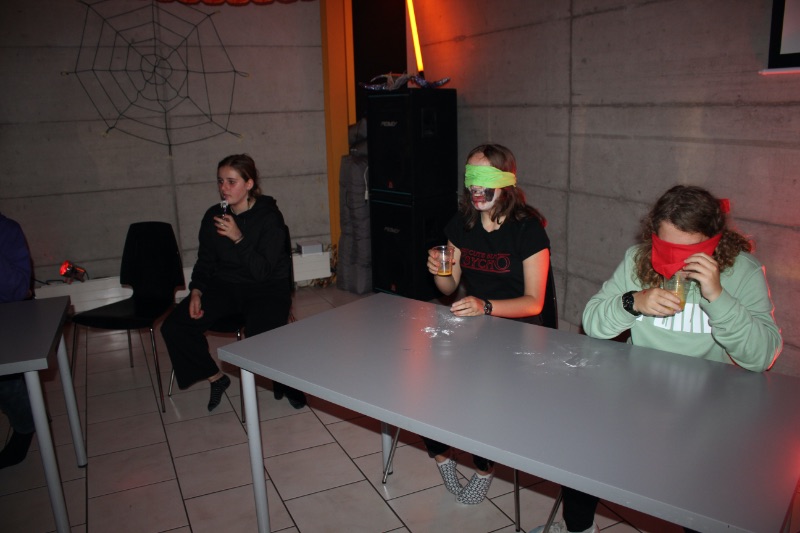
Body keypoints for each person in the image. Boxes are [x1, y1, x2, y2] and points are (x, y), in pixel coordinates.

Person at [530, 185, 782, 533]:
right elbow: (593, 322)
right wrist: (633, 302)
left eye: (690, 252)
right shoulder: (638, 259)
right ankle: (578, 528)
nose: (678, 263)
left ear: (715, 242)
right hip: (637, 395)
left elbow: (762, 356)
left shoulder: (742, 271)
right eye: (667, 247)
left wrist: (718, 297)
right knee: (582, 447)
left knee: (701, 498)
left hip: (707, 408)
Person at [423, 143, 552, 504]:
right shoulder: (463, 224)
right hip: (475, 324)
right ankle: (443, 455)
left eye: (483, 178)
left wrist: (487, 306)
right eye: (471, 178)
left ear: (505, 181)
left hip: (519, 329)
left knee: (485, 397)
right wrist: (439, 270)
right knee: (425, 388)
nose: (475, 188)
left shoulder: (527, 230)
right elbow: (448, 288)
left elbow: (534, 302)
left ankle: (484, 467)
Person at [161, 154, 305, 411]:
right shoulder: (214, 216)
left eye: (231, 181)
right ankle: (216, 378)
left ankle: (288, 384)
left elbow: (262, 271)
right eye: (220, 181)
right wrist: (196, 291)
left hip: (266, 288)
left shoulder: (269, 218)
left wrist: (238, 238)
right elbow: (206, 261)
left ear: (249, 184)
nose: (224, 188)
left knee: (261, 337)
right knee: (175, 326)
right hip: (226, 286)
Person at [0, 212, 36, 468]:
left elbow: (18, 289)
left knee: (7, 381)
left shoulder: (7, 230)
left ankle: (26, 425)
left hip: (11, 318)